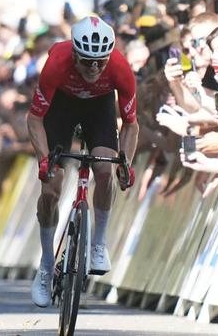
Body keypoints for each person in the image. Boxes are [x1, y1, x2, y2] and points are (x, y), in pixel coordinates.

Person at [26, 16, 139, 308]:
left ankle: (99, 243)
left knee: (105, 169)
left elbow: (131, 124)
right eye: (87, 61)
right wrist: (43, 161)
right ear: (75, 54)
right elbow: (35, 119)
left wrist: (126, 163)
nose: (93, 68)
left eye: (100, 62)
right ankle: (47, 265)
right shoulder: (56, 64)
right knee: (51, 188)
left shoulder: (120, 68)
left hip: (99, 107)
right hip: (62, 105)